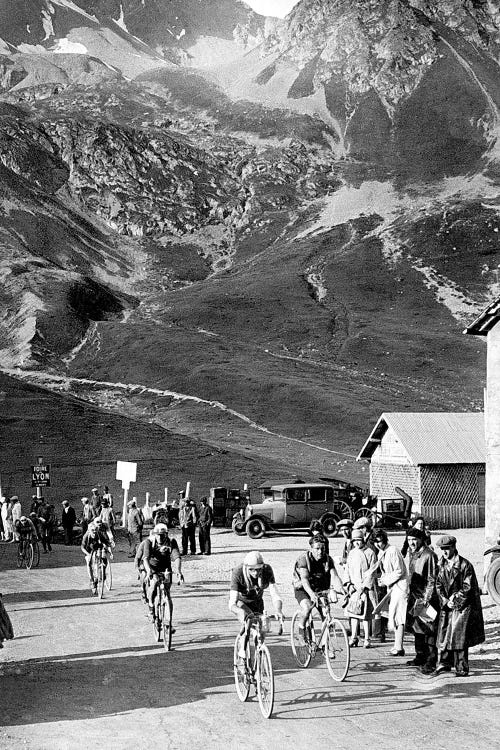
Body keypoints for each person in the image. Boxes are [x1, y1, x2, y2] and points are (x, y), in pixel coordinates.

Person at [434, 535, 485, 677]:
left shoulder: (465, 565)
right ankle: (444, 663)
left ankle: (461, 667)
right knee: (444, 634)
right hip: (448, 606)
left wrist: (455, 600)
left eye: (446, 549)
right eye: (442, 549)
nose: (444, 552)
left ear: (454, 547)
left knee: (459, 638)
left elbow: (468, 587)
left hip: (462, 608)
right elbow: (438, 585)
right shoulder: (441, 564)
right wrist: (445, 600)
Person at [229, 550, 283, 658]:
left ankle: (259, 657)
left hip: (257, 601)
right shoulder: (238, 572)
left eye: (258, 569)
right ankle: (242, 649)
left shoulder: (267, 570)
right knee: (248, 621)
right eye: (251, 570)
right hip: (241, 602)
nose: (255, 573)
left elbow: (275, 594)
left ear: (262, 567)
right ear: (246, 567)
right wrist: (239, 612)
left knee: (261, 630)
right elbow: (232, 602)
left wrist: (278, 611)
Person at [293, 536, 343, 643]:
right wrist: (311, 594)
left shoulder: (328, 559)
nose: (320, 551)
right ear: (311, 549)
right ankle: (301, 629)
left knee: (326, 613)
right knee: (307, 608)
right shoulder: (304, 559)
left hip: (319, 587)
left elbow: (334, 576)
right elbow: (305, 580)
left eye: (322, 549)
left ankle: (325, 646)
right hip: (303, 588)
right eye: (317, 549)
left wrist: (342, 589)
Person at [405, 527, 439, 673]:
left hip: (426, 598)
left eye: (414, 539)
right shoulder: (413, 554)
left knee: (429, 630)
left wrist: (427, 598)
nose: (412, 542)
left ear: (420, 540)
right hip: (414, 597)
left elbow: (432, 579)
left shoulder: (429, 555)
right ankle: (420, 656)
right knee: (416, 628)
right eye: (409, 539)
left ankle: (431, 661)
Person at [373, 528, 409, 657]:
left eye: (380, 541)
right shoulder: (382, 552)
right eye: (376, 542)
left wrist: (385, 580)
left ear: (385, 539)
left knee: (399, 616)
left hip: (400, 587)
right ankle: (397, 646)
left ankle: (398, 647)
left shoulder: (393, 550)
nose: (378, 544)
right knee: (393, 616)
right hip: (393, 587)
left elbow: (399, 571)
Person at [141, 523, 183, 622]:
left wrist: (179, 571)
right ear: (154, 534)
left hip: (166, 568)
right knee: (154, 583)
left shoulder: (171, 542)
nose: (160, 538)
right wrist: (148, 572)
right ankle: (151, 608)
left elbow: (177, 557)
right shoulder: (149, 542)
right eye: (158, 535)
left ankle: (169, 621)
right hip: (153, 567)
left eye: (163, 535)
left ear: (166, 535)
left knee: (167, 593)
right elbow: (145, 558)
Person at [344, 528, 378, 648]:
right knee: (354, 613)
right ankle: (354, 636)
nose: (357, 543)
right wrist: (348, 584)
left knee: (366, 615)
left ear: (363, 540)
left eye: (359, 540)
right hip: (354, 588)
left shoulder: (370, 553)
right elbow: (347, 570)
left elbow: (372, 571)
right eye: (354, 541)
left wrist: (363, 587)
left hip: (365, 589)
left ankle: (367, 638)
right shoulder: (352, 553)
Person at [81, 520, 112, 594]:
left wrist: (108, 545)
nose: (94, 531)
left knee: (104, 557)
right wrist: (88, 554)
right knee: (89, 563)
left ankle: (103, 572)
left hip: (98, 548)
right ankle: (92, 581)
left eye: (95, 530)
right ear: (89, 530)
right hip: (89, 550)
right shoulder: (86, 536)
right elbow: (82, 547)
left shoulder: (99, 534)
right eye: (92, 530)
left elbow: (106, 542)